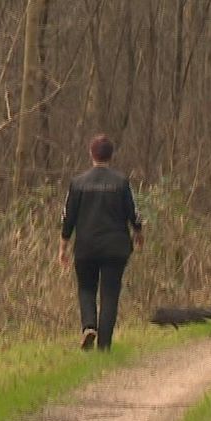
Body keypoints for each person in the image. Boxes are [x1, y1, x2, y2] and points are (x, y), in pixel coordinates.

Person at [59, 133, 144, 351]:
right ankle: (104, 345)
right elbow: (133, 212)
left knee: (86, 289)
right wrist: (138, 232)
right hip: (116, 247)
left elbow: (68, 217)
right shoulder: (121, 182)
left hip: (86, 247)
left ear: (91, 154)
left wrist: (63, 246)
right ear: (111, 155)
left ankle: (89, 325)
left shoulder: (77, 183)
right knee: (110, 294)